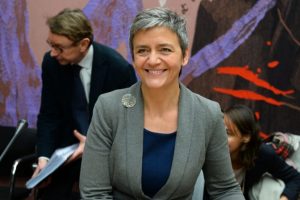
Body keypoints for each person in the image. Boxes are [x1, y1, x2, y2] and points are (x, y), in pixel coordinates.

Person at [80, 7, 244, 199]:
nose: (153, 60)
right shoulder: (109, 108)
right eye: (142, 50)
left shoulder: (208, 113)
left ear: (184, 56)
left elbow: (225, 189)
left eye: (164, 49)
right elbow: (94, 193)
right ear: (133, 58)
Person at [32, 8, 137, 200]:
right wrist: (44, 158)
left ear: (83, 44)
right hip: (66, 154)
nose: (53, 53)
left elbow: (130, 122)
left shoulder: (118, 69)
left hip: (107, 154)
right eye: (51, 45)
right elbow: (49, 114)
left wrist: (94, 144)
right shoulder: (51, 63)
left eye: (59, 47)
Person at [224, 104, 300, 200]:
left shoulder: (262, 154)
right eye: (219, 130)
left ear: (246, 137)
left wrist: (284, 198)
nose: (220, 137)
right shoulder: (209, 151)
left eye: (228, 133)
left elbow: (295, 178)